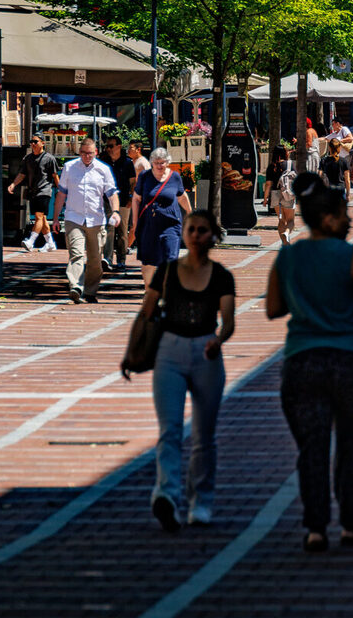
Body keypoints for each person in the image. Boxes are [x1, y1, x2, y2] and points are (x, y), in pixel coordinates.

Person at [266, 172, 353, 552]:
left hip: (302, 361)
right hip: (350, 362)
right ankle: (352, 524)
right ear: (327, 218)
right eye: (343, 214)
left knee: (311, 446)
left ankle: (315, 528)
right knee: (350, 442)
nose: (348, 221)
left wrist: (304, 297)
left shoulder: (289, 256)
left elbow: (273, 309)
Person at [122, 210, 235, 532]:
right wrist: (131, 354)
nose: (196, 235)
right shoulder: (168, 271)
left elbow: (228, 320)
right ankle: (166, 496)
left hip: (206, 353)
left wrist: (219, 339)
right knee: (169, 430)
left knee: (203, 436)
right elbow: (146, 313)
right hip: (169, 352)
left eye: (202, 230)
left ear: (213, 236)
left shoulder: (222, 275)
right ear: (184, 234)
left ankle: (201, 503)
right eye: (191, 230)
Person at [51, 138, 123, 304]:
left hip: (96, 220)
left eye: (90, 153)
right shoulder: (69, 168)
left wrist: (116, 212)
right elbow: (61, 194)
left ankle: (90, 291)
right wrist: (56, 218)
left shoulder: (103, 169)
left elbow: (112, 194)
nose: (86, 156)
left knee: (95, 260)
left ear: (96, 152)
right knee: (76, 254)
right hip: (73, 218)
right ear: (79, 152)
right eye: (83, 153)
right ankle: (75, 286)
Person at [130, 148, 194, 289]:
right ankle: (149, 290)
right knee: (148, 262)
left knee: (171, 258)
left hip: (170, 223)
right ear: (151, 163)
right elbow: (136, 199)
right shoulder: (144, 177)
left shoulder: (175, 177)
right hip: (148, 224)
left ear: (168, 162)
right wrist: (135, 222)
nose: (159, 166)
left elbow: (181, 196)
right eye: (156, 163)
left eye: (163, 162)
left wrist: (190, 213)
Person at [7, 135, 59, 253]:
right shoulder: (28, 158)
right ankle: (50, 243)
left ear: (42, 143)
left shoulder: (49, 158)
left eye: (35, 142)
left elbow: (55, 176)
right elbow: (22, 174)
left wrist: (61, 191)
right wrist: (13, 184)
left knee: (38, 216)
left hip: (44, 191)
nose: (33, 144)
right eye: (31, 142)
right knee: (43, 218)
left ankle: (31, 241)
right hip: (33, 192)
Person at [99, 136, 137, 271]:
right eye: (107, 146)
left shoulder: (127, 162)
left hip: (123, 200)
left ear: (119, 146)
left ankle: (121, 259)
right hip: (107, 200)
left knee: (122, 230)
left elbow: (133, 182)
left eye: (111, 146)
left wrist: (131, 198)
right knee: (109, 229)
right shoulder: (103, 160)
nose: (108, 148)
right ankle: (107, 259)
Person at [262, 146, 297, 246]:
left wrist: (265, 199)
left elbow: (268, 184)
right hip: (288, 193)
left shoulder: (272, 166)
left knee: (281, 220)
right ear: (285, 153)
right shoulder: (290, 164)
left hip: (275, 194)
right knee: (290, 221)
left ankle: (285, 243)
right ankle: (287, 233)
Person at [325, 117, 353, 198]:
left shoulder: (344, 129)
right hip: (337, 158)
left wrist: (339, 141)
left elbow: (350, 138)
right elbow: (325, 139)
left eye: (333, 124)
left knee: (345, 176)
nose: (332, 126)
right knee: (340, 176)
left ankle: (346, 193)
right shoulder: (334, 134)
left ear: (338, 123)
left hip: (345, 157)